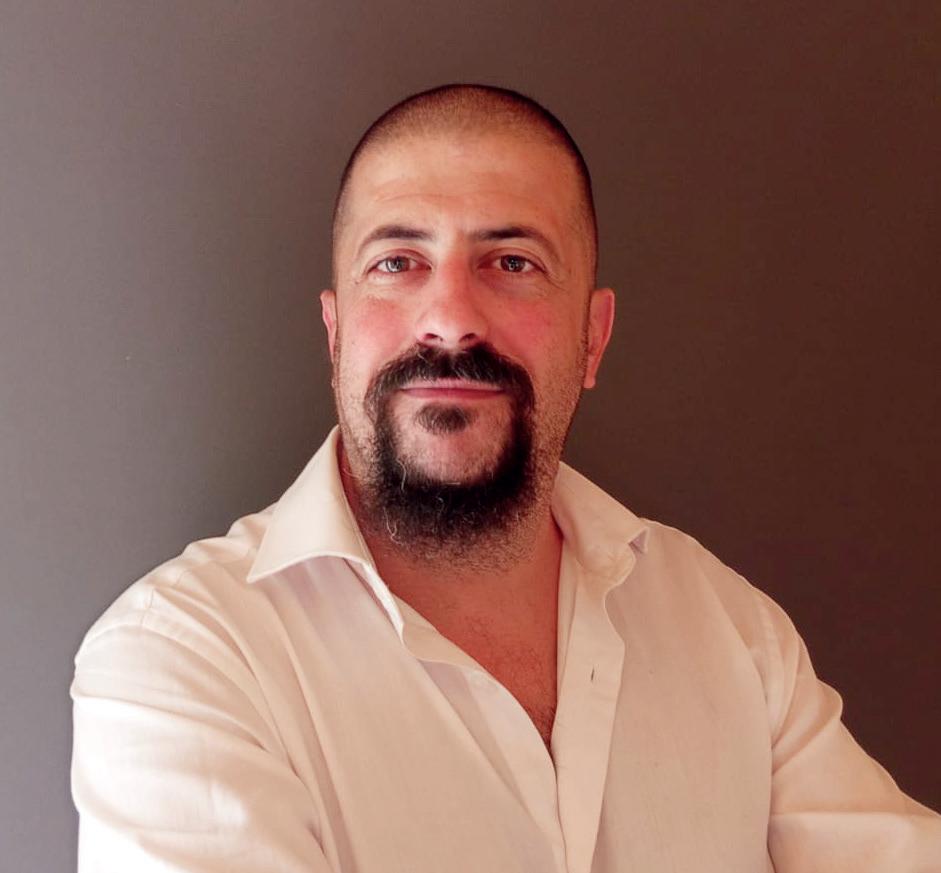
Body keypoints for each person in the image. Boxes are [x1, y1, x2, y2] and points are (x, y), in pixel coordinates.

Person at [70, 84, 941, 873]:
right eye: (397, 261)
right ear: (335, 335)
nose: (450, 318)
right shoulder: (185, 658)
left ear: (593, 338)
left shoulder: (731, 631)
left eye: (513, 262)